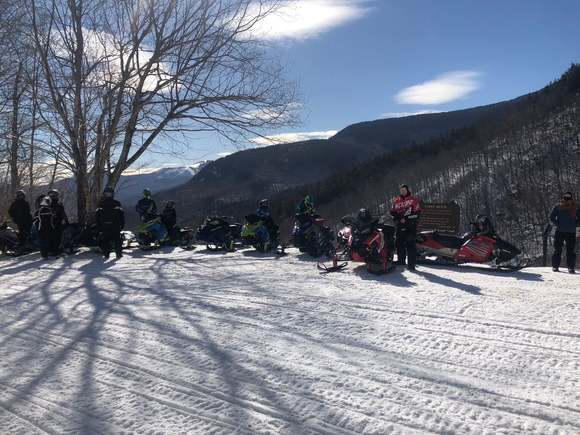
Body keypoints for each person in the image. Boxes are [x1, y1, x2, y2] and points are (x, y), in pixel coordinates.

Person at [390, 184, 421, 271]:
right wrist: (399, 218)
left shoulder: (413, 200)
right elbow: (392, 212)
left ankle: (411, 264)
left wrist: (406, 219)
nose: (402, 191)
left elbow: (417, 213)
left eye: (404, 190)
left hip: (411, 226)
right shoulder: (396, 201)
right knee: (399, 243)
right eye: (401, 190)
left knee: (410, 244)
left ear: (407, 190)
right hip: (400, 225)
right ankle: (401, 261)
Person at [550, 191, 580, 274]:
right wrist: (557, 224)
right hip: (560, 231)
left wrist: (576, 225)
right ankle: (555, 266)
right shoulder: (558, 206)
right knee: (557, 249)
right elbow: (552, 217)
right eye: (565, 197)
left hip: (571, 231)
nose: (567, 199)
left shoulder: (576, 207)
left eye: (568, 197)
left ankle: (571, 267)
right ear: (563, 198)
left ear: (571, 198)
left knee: (570, 250)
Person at [95, 187, 125, 259]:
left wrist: (99, 225)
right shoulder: (116, 203)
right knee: (116, 239)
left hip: (106, 225)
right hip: (115, 225)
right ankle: (118, 254)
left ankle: (107, 254)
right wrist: (122, 224)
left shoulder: (101, 204)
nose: (108, 195)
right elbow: (122, 215)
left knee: (106, 240)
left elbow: (97, 216)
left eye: (109, 193)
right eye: (107, 194)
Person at [47, 189, 68, 255]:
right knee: (54, 236)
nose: (53, 197)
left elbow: (62, 213)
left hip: (56, 222)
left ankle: (54, 249)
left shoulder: (58, 204)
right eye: (51, 196)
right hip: (52, 223)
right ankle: (53, 250)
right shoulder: (48, 205)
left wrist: (66, 220)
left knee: (57, 236)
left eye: (54, 195)